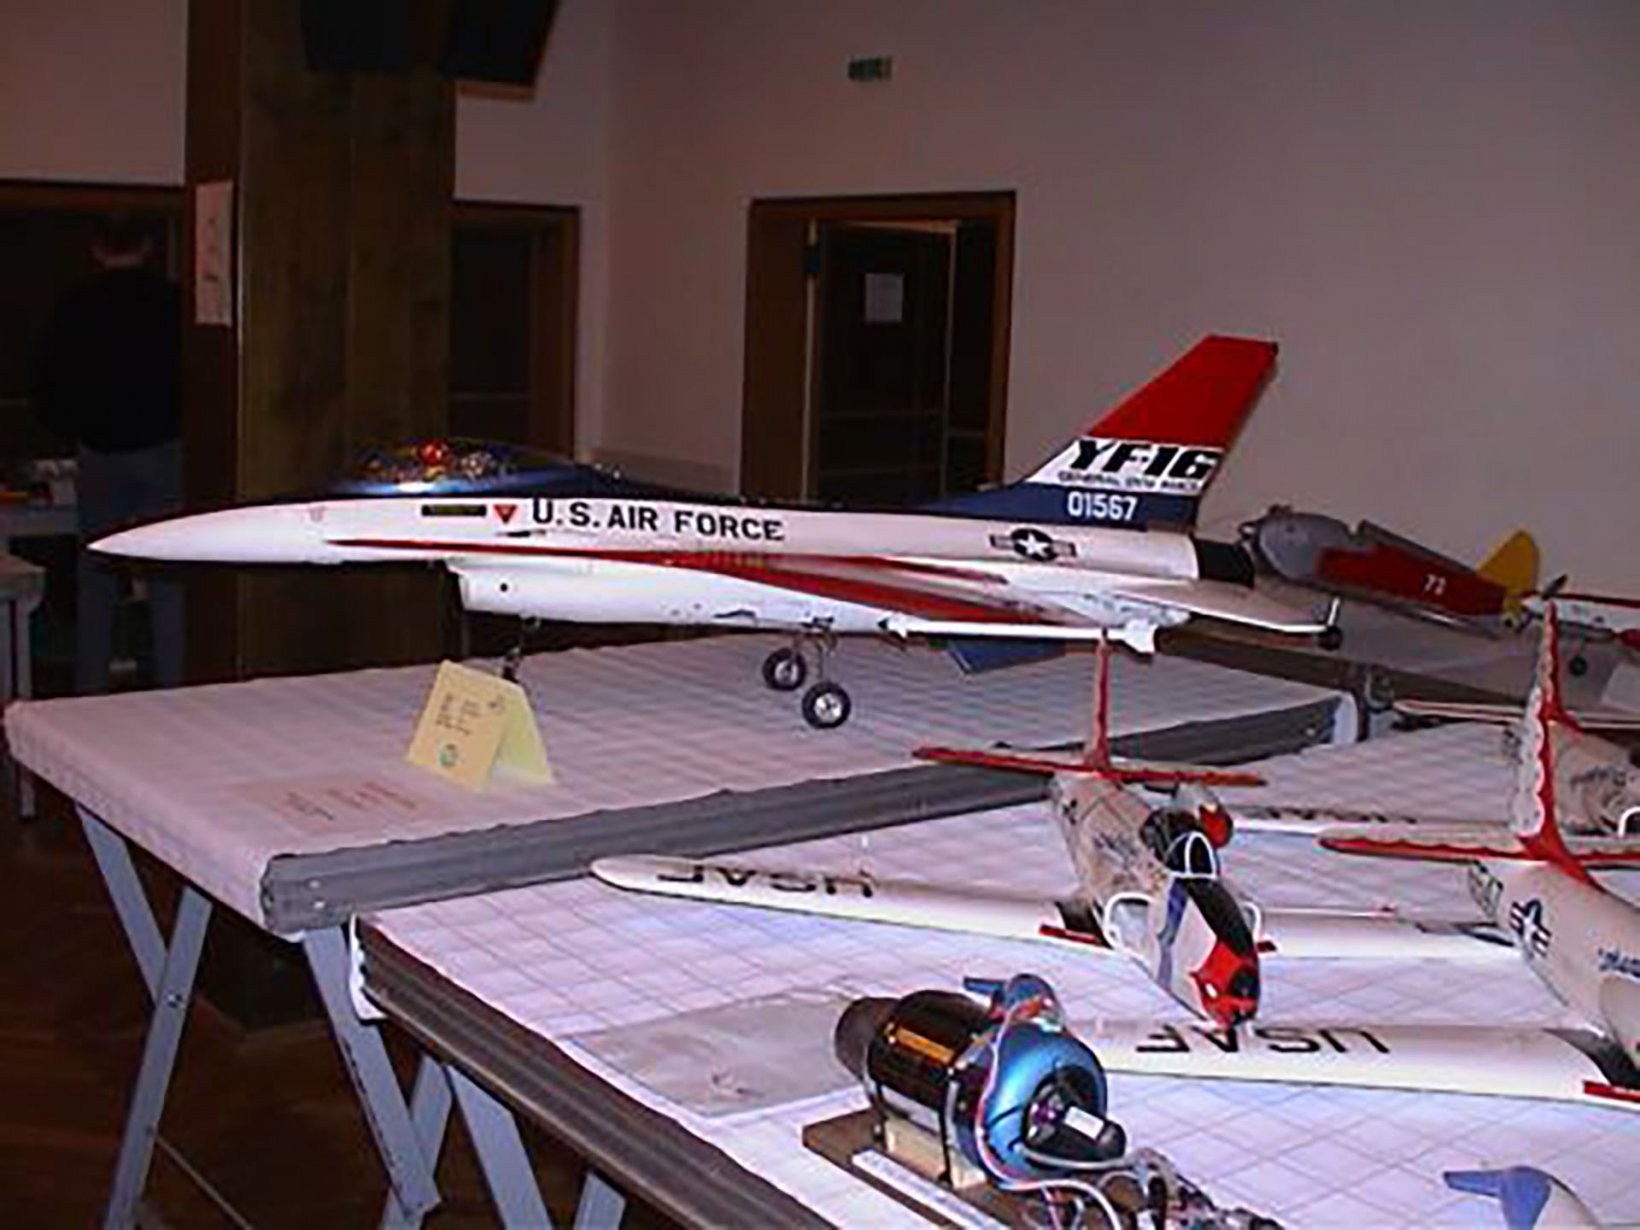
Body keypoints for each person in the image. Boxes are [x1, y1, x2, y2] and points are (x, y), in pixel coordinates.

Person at [31, 213, 185, 693]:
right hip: (164, 446)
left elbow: (47, 385)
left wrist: (75, 429)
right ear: (148, 246)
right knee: (168, 575)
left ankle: (90, 688)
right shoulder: (172, 303)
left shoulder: (75, 306)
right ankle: (173, 687)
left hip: (99, 449)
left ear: (97, 248)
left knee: (96, 574)